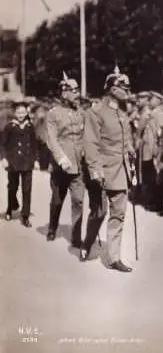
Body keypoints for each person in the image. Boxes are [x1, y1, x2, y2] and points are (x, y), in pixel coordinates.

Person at [80, 67, 135, 272]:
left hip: (120, 170)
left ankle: (114, 258)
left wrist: (130, 149)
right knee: (99, 212)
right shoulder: (95, 112)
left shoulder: (122, 111)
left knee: (118, 213)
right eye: (122, 86)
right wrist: (95, 170)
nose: (127, 89)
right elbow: (91, 143)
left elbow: (125, 137)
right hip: (102, 169)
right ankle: (88, 242)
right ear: (111, 89)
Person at [45, 72, 85, 246]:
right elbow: (51, 139)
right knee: (57, 200)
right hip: (61, 166)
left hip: (79, 166)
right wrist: (61, 157)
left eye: (77, 90)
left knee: (78, 200)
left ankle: (76, 237)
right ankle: (52, 228)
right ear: (64, 93)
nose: (77, 94)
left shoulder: (80, 113)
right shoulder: (53, 114)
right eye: (73, 91)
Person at [1, 100, 38, 227]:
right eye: (18, 112)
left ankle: (25, 216)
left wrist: (36, 159)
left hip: (27, 162)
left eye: (23, 112)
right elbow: (3, 144)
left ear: (26, 112)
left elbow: (34, 144)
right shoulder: (9, 126)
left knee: (27, 189)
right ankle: (10, 208)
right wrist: (4, 158)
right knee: (12, 187)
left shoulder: (30, 126)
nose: (21, 115)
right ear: (14, 113)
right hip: (13, 162)